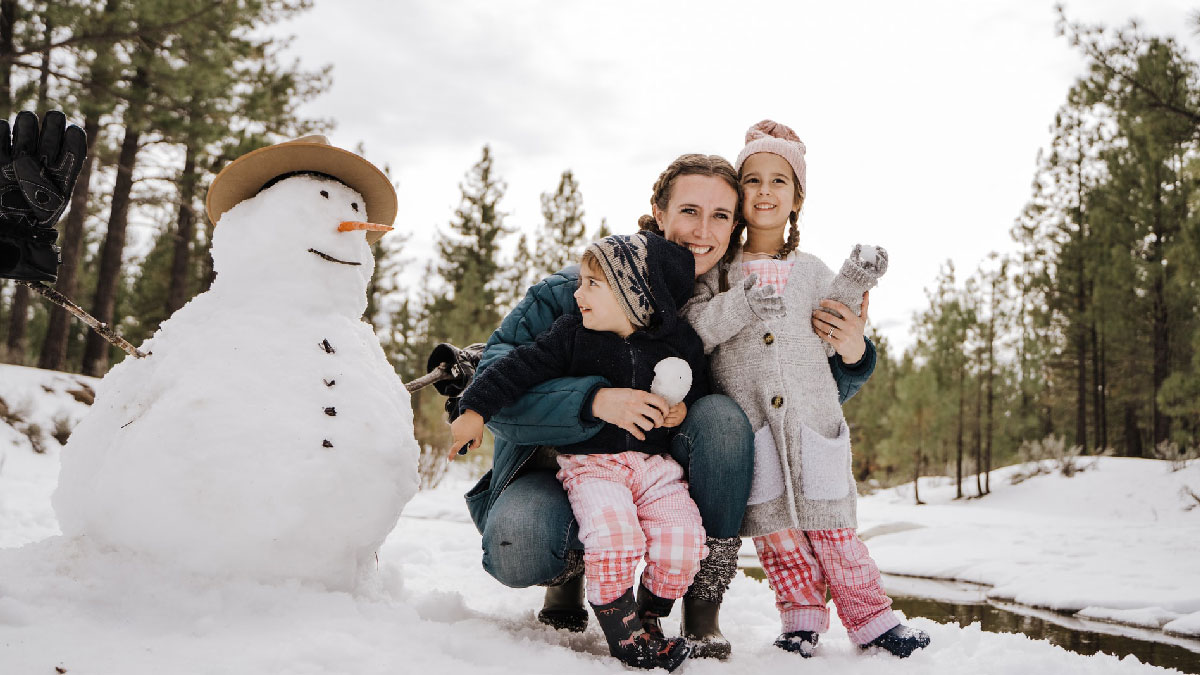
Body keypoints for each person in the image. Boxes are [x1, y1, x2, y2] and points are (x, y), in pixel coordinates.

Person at [463, 153, 878, 660]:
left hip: (658, 472)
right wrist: (593, 400)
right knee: (521, 542)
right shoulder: (579, 289)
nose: (703, 230)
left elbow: (794, 397)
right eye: (689, 211)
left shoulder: (735, 298)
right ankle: (569, 574)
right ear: (658, 213)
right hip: (556, 468)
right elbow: (493, 385)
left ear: (735, 226)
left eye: (721, 216)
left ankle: (701, 607)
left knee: (724, 420)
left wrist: (854, 355)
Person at [682, 120, 930, 658]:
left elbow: (839, 325)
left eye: (780, 181)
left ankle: (873, 620)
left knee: (833, 526)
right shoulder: (717, 274)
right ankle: (799, 619)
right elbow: (696, 331)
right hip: (752, 425)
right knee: (778, 534)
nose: (766, 192)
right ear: (737, 192)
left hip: (813, 421)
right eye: (753, 180)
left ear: (797, 198)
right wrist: (741, 303)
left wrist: (858, 281)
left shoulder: (812, 270)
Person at [450, 232, 708, 671]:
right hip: (594, 468)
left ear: (634, 294)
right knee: (614, 537)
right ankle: (624, 634)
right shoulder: (571, 336)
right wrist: (473, 409)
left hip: (653, 468)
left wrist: (680, 411)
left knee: (683, 539)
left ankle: (649, 613)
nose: (577, 292)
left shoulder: (674, 343)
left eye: (592, 284)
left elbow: (699, 382)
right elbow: (516, 368)